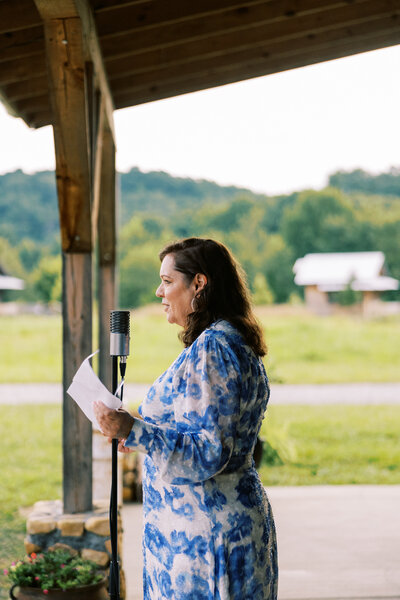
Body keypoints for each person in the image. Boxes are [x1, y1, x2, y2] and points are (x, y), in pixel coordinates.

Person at [94, 237, 278, 600]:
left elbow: (209, 451)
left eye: (167, 281)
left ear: (199, 283)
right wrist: (138, 436)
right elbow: (203, 431)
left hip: (207, 541)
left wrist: (135, 429)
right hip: (211, 531)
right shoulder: (228, 340)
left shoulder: (214, 348)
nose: (159, 291)